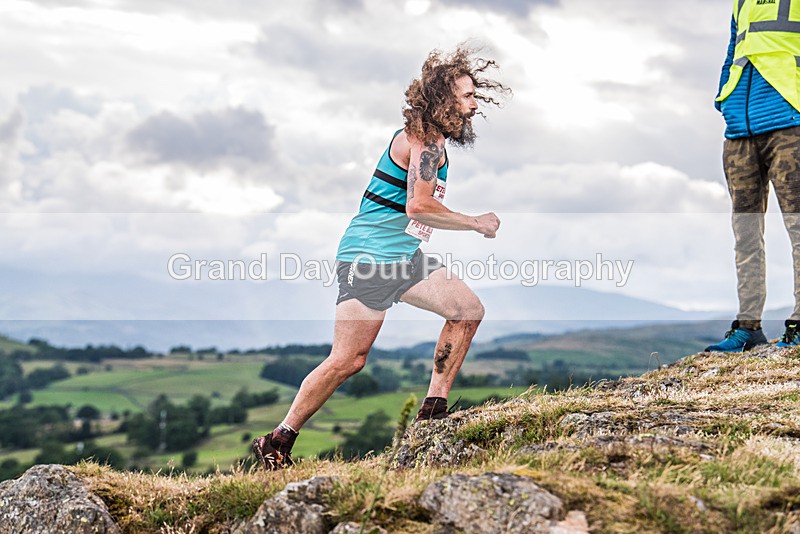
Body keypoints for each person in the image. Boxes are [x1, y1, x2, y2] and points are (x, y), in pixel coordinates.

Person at [252, 46, 510, 469]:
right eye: (466, 97)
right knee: (347, 360)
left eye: (474, 96)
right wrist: (474, 222)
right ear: (444, 100)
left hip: (402, 255)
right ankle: (279, 439)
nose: (474, 105)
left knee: (466, 311)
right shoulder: (425, 142)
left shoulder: (433, 141)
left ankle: (432, 413)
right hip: (369, 257)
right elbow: (419, 207)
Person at [706, 0, 800, 353]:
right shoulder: (742, 2)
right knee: (745, 234)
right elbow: (734, 48)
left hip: (790, 123)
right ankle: (748, 328)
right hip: (740, 129)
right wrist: (723, 99)